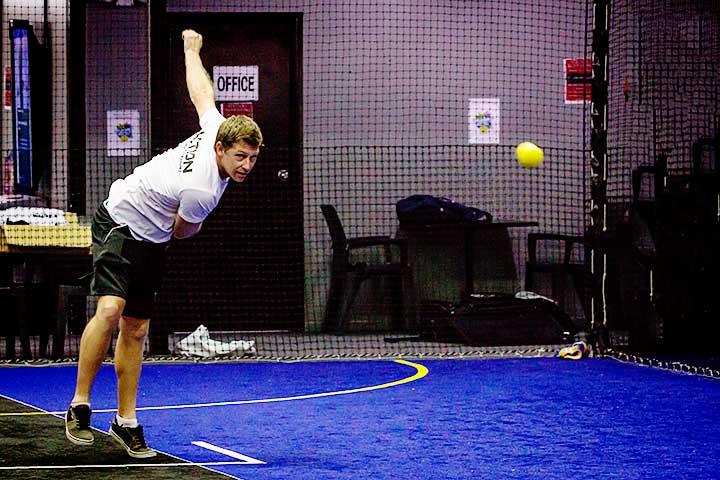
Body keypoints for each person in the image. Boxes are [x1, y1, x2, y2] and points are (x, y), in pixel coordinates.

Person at [64, 29, 263, 458]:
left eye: (252, 158)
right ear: (221, 149)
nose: (246, 166)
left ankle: (125, 422)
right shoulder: (202, 191)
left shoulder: (217, 126)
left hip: (151, 240)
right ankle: (80, 404)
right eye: (240, 157)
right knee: (111, 310)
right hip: (120, 219)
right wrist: (193, 223)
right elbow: (182, 231)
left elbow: (201, 93)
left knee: (137, 328)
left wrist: (192, 50)